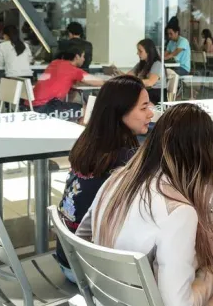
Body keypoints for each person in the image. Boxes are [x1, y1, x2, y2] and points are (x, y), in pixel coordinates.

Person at [76, 104, 213, 306]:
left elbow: (82, 237)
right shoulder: (179, 212)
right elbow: (179, 304)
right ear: (204, 154)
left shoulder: (117, 178)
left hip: (105, 298)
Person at [56, 75, 153, 282]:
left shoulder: (87, 143)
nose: (151, 113)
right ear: (120, 112)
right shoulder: (126, 159)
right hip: (90, 270)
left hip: (66, 258)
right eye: (143, 108)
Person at [31, 47, 104, 118]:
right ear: (77, 56)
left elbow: (61, 80)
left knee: (71, 100)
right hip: (44, 108)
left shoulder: (54, 63)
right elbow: (98, 82)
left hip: (32, 105)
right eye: (83, 56)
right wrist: (111, 81)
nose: (84, 59)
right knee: (87, 110)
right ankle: (80, 130)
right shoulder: (73, 70)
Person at [124, 39, 165, 104]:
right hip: (145, 92)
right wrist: (116, 72)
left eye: (140, 51)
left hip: (155, 95)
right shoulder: (141, 64)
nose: (137, 53)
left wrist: (134, 81)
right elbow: (128, 76)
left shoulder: (157, 64)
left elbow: (150, 82)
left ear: (148, 52)